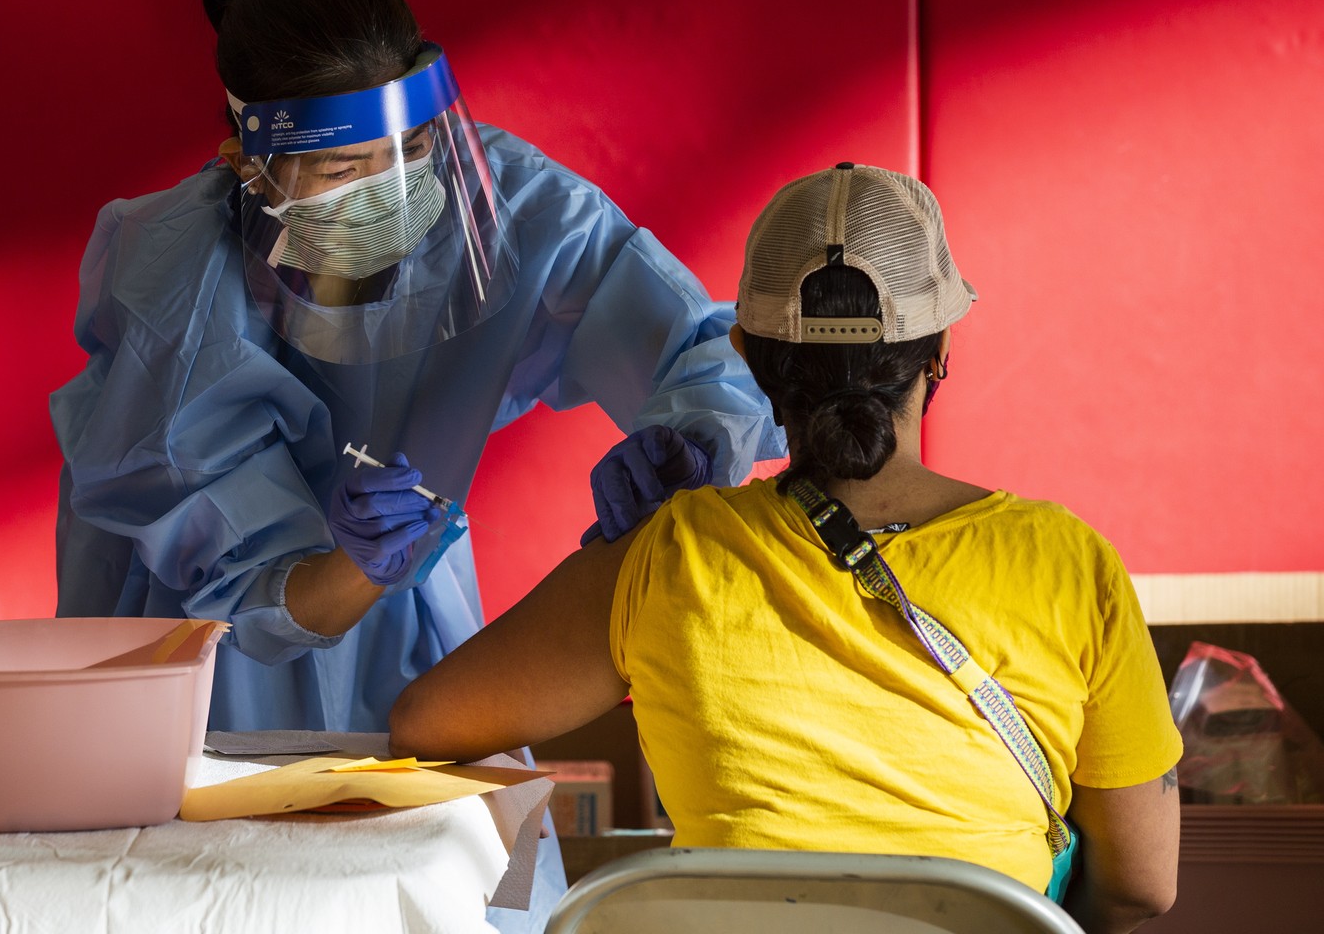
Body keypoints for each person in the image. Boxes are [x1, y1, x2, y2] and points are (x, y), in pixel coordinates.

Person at [50, 0, 784, 932]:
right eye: (345, 167)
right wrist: (353, 565)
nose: (393, 187)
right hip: (209, 672)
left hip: (420, 647)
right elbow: (249, 595)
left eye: (411, 149)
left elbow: (699, 346)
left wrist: (692, 439)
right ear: (247, 162)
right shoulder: (174, 283)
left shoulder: (505, 204)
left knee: (469, 895)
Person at [391, 163, 1183, 934]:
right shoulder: (1069, 566)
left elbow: (425, 723)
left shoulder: (670, 556)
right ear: (939, 351)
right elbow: (1143, 885)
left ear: (747, 353)